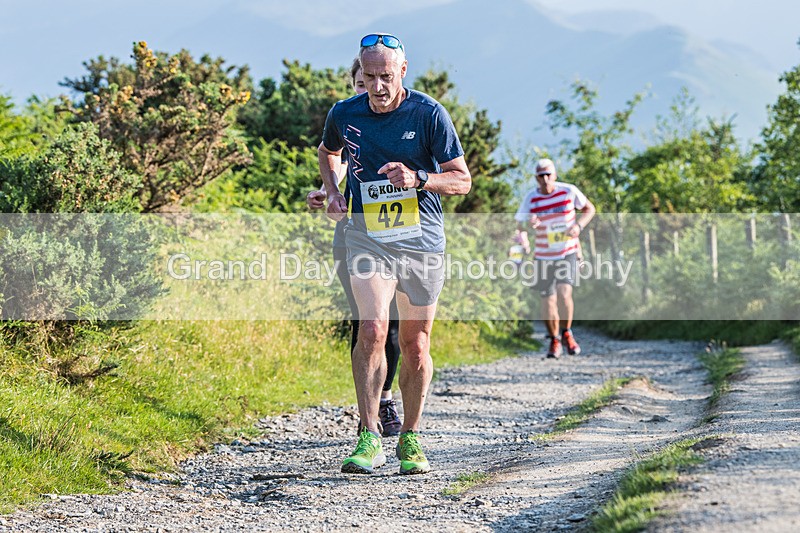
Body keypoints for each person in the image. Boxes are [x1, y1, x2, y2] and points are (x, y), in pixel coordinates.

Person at [318, 33, 471, 475]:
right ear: (359, 74)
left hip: (421, 240)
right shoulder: (344, 112)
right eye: (369, 77)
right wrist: (332, 192)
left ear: (402, 71)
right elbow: (329, 152)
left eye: (386, 76)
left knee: (416, 344)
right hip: (367, 236)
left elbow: (461, 180)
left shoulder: (428, 114)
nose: (378, 87)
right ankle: (368, 436)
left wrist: (419, 178)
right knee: (371, 328)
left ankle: (411, 436)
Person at [307, 58, 403, 438]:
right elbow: (338, 165)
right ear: (355, 86)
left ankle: (387, 395)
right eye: (362, 84)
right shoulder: (348, 124)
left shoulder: (402, 123)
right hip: (355, 235)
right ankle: (372, 408)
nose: (371, 91)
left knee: (394, 325)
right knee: (368, 322)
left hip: (401, 238)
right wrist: (326, 193)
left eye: (377, 81)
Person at [514, 158, 595, 358]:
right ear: (536, 178)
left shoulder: (568, 191)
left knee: (564, 293)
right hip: (543, 255)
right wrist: (528, 228)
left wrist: (578, 226)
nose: (545, 178)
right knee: (548, 300)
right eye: (541, 175)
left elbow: (589, 209)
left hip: (567, 251)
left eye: (549, 174)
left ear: (555, 175)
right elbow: (519, 226)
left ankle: (567, 332)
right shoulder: (531, 199)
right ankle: (554, 340)